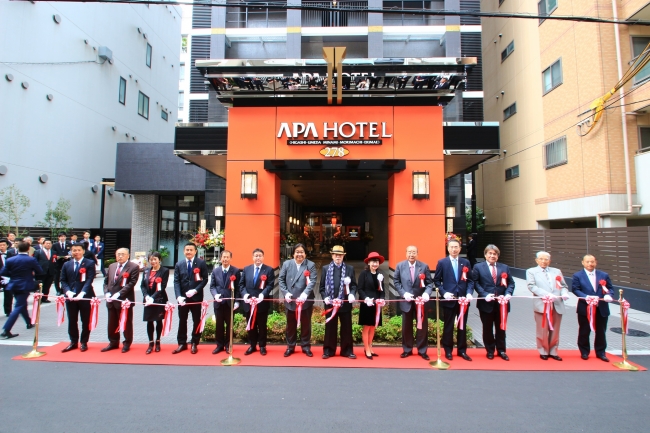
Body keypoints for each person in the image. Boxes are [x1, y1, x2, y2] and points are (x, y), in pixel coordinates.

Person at [472, 244, 515, 360]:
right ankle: (490, 350)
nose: (492, 256)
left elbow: (511, 283)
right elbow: (475, 282)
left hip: (502, 304)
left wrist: (508, 294)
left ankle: (501, 350)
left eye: (494, 254)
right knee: (487, 328)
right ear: (485, 255)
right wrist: (484, 294)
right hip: (486, 303)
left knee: (501, 328)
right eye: (490, 253)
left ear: (498, 256)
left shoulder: (504, 267)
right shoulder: (478, 267)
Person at [433, 239, 474, 361]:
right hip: (449, 299)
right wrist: (444, 293)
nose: (454, 249)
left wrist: (469, 293)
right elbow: (436, 281)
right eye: (451, 247)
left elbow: (470, 281)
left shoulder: (465, 262)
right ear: (448, 248)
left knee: (462, 325)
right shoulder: (442, 262)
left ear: (460, 249)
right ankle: (448, 350)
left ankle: (462, 350)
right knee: (448, 326)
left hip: (462, 300)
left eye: (456, 247)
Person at [526, 251, 569, 361]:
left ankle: (553, 351)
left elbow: (563, 285)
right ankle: (543, 350)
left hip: (557, 303)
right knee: (542, 329)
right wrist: (546, 295)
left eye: (546, 259)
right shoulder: (531, 271)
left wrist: (564, 293)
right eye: (541, 259)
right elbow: (531, 286)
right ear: (536, 260)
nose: (543, 261)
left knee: (555, 329)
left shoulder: (557, 271)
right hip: (542, 303)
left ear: (549, 260)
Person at [394, 245, 433, 360]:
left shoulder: (424, 266)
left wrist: (426, 293)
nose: (411, 254)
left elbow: (429, 283)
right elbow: (396, 281)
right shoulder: (400, 266)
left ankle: (422, 350)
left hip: (421, 302)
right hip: (407, 302)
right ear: (406, 253)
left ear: (417, 254)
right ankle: (407, 349)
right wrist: (403, 293)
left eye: (414, 252)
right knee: (406, 326)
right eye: (409, 252)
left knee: (422, 327)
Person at [571, 254, 614, 362]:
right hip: (585, 308)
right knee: (584, 330)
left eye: (592, 261)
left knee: (601, 331)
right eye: (587, 262)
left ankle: (601, 352)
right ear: (583, 263)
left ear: (596, 262)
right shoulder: (577, 275)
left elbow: (610, 288)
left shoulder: (603, 275)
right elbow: (575, 289)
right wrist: (587, 297)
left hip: (601, 308)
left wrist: (609, 295)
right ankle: (584, 351)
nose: (590, 264)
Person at [318, 245, 357, 359]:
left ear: (343, 256)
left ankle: (347, 350)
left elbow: (354, 285)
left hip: (344, 303)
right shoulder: (325, 269)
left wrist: (351, 294)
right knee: (330, 328)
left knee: (346, 328)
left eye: (340, 255)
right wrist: (325, 297)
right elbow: (321, 287)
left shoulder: (349, 269)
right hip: (330, 303)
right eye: (336, 255)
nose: (338, 257)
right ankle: (328, 350)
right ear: (332, 256)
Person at [278, 243, 317, 358]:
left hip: (305, 300)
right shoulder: (286, 264)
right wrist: (285, 293)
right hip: (290, 299)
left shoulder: (311, 265)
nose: (299, 254)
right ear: (293, 253)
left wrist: (305, 294)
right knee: (290, 324)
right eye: (297, 252)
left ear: (305, 254)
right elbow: (281, 279)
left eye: (302, 252)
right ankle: (290, 346)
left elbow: (313, 281)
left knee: (306, 324)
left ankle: (305, 346)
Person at [0, 241, 42, 339]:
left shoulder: (10, 259)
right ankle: (6, 330)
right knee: (19, 306)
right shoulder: (31, 260)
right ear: (28, 249)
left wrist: (14, 275)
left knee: (22, 304)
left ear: (17, 249)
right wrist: (31, 272)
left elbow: (3, 272)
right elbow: (39, 271)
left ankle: (28, 322)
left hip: (14, 284)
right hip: (25, 285)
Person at [173, 243, 209, 354]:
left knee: (196, 320)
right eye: (187, 250)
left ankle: (194, 342)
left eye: (191, 250)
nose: (189, 252)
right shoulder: (179, 264)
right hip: (183, 299)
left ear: (195, 251)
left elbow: (205, 279)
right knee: (182, 321)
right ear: (184, 251)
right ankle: (182, 343)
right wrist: (178, 296)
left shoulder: (201, 263)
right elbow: (176, 281)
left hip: (196, 298)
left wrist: (195, 290)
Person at [102, 248, 139, 353]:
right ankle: (113, 342)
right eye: (118, 254)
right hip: (111, 300)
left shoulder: (133, 267)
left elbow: (132, 283)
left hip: (124, 300)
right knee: (112, 322)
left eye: (123, 254)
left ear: (128, 255)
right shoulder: (112, 266)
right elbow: (106, 281)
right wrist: (106, 292)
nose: (120, 256)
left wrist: (119, 294)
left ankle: (127, 342)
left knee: (126, 323)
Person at [60, 243, 96, 351]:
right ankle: (73, 341)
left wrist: (83, 292)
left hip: (85, 296)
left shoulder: (89, 263)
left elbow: (90, 279)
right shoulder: (67, 264)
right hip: (70, 297)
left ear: (83, 251)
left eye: (79, 250)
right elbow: (63, 280)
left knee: (85, 320)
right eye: (74, 250)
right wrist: (67, 291)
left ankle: (84, 342)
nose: (76, 252)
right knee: (72, 320)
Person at [240, 248, 275, 356]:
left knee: (262, 325)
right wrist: (245, 294)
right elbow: (241, 285)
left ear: (263, 257)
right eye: (256, 256)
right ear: (253, 257)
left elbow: (270, 285)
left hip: (261, 302)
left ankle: (262, 346)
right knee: (251, 325)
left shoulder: (269, 270)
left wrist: (262, 295)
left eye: (260, 255)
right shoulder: (246, 269)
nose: (258, 258)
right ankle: (252, 345)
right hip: (249, 302)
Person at [209, 250, 240, 355]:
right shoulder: (215, 271)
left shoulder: (235, 271)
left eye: (227, 257)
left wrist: (237, 301)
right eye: (223, 257)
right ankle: (219, 345)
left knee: (229, 325)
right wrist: (215, 295)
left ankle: (228, 345)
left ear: (231, 258)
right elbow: (212, 286)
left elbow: (239, 288)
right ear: (220, 258)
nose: (225, 259)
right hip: (218, 302)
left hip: (230, 303)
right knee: (219, 325)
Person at [357, 252, 386, 360]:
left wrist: (382, 298)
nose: (375, 264)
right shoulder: (364, 274)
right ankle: (366, 348)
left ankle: (370, 346)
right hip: (367, 303)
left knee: (373, 326)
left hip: (376, 304)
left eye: (377, 261)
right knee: (367, 327)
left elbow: (382, 289)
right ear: (369, 262)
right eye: (373, 261)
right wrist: (366, 298)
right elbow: (360, 289)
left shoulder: (380, 274)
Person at [141, 252, 169, 354]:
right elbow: (142, 285)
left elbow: (163, 286)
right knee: (149, 321)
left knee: (158, 320)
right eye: (151, 260)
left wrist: (153, 297)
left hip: (159, 299)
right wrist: (146, 296)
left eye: (155, 259)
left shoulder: (164, 271)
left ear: (159, 259)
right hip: (148, 300)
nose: (153, 261)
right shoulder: (146, 271)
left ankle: (158, 341)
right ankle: (150, 343)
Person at [1, 238, 17, 316]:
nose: (2, 247)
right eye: (0, 245)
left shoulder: (12, 255)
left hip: (9, 278)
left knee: (8, 294)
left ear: (7, 245)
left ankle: (8, 311)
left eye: (3, 245)